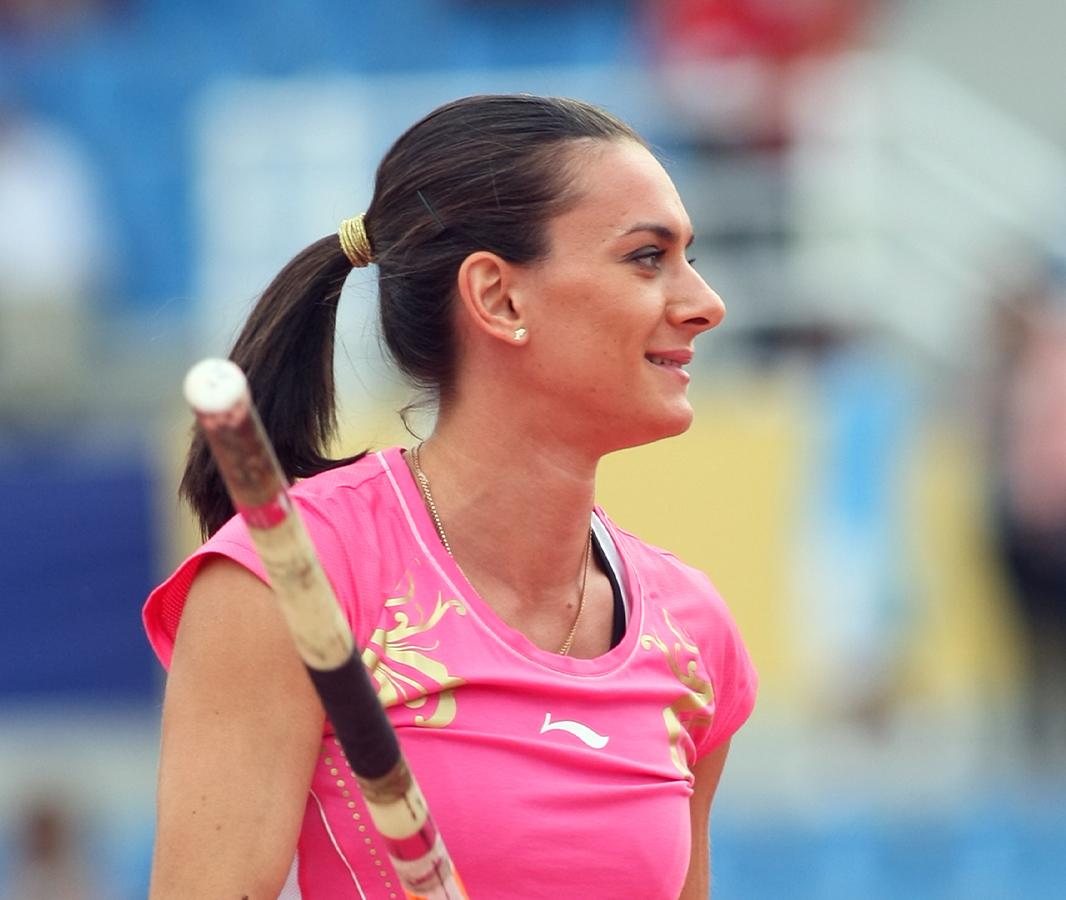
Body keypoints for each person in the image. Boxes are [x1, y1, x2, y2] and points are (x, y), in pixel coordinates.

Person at [143, 94, 757, 900]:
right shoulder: (295, 577)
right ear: (499, 297)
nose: (705, 303)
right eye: (648, 257)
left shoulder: (692, 631)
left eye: (688, 257)